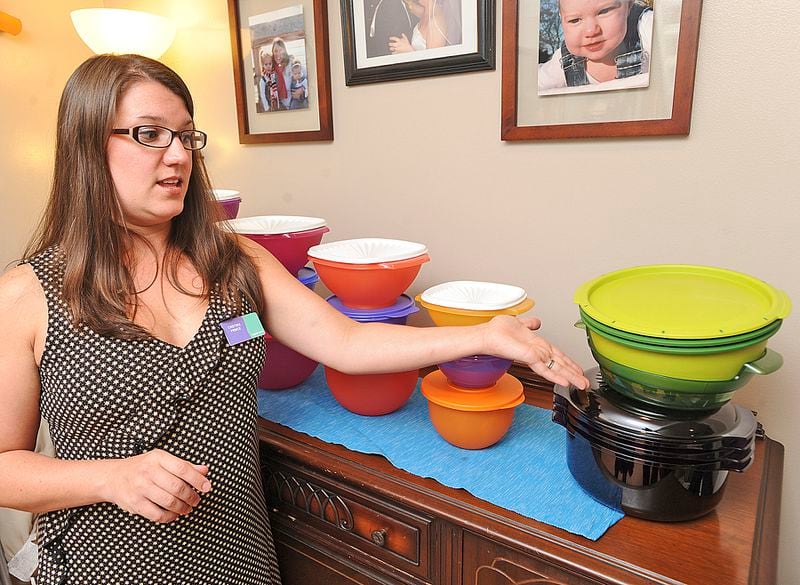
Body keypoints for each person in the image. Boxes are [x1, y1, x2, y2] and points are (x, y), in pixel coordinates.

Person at [0, 54, 589, 584]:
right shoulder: (28, 295)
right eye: (149, 135)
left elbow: (347, 341)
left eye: (185, 136)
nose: (178, 155)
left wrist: (486, 335)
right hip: (102, 567)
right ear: (84, 144)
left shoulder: (235, 260)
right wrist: (109, 478)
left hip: (238, 557)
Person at [538, 0, 654, 94]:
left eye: (604, 11)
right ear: (562, 20)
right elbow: (531, 88)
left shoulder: (647, 28)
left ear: (629, 5)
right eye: (575, 20)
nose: (591, 31)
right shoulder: (564, 61)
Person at [388, 0, 461, 53]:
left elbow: (433, 65)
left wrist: (408, 50)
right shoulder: (427, 10)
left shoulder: (435, 24)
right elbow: (412, 7)